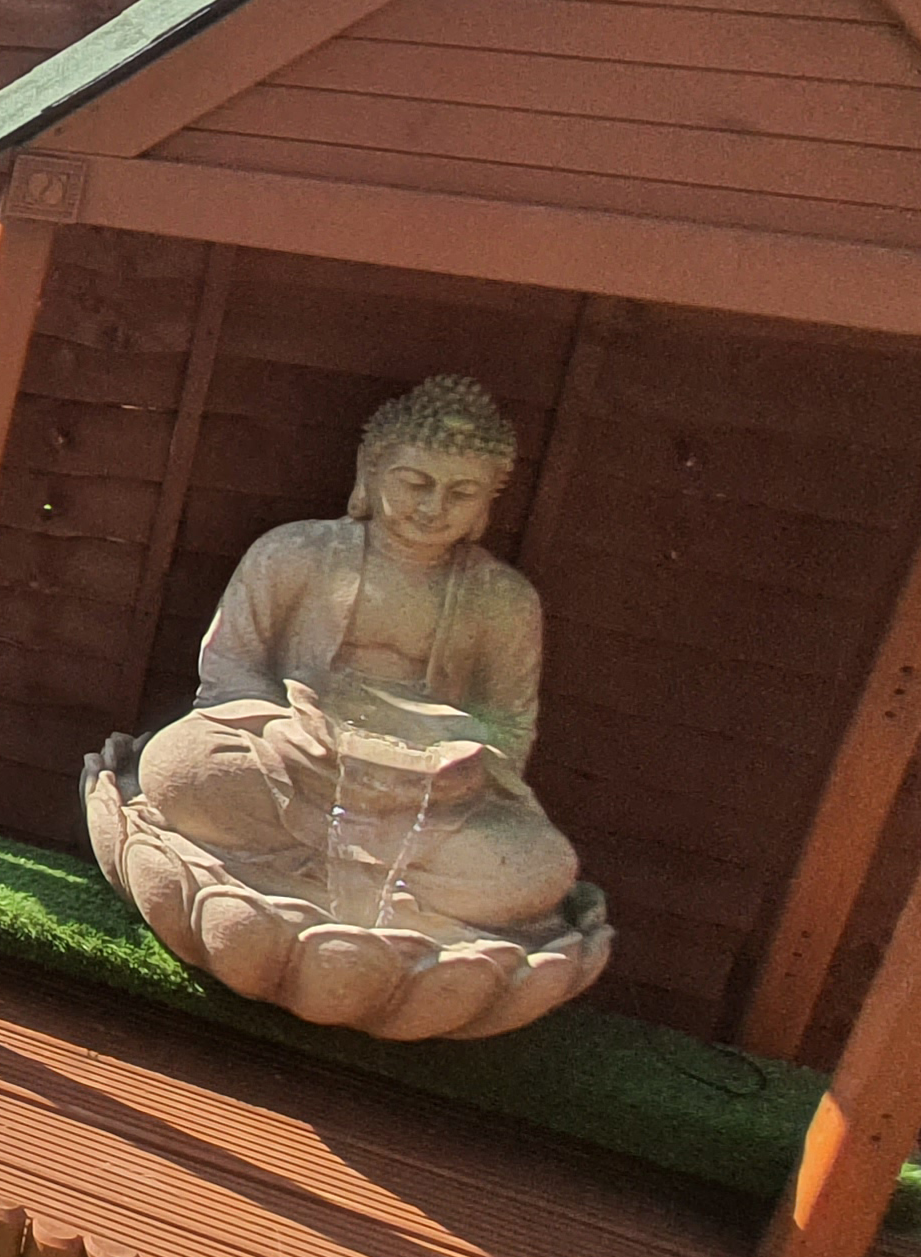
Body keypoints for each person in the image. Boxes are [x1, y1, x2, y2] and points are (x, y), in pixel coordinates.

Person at [125, 374, 580, 934]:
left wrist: (445, 768)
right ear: (370, 471)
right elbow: (229, 670)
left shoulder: (504, 600)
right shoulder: (294, 553)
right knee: (178, 767)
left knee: (543, 867)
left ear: (489, 501)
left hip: (425, 801)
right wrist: (298, 735)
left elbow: (509, 726)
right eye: (415, 482)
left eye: (461, 494)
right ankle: (394, 911)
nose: (434, 507)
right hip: (295, 761)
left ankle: (293, 890)